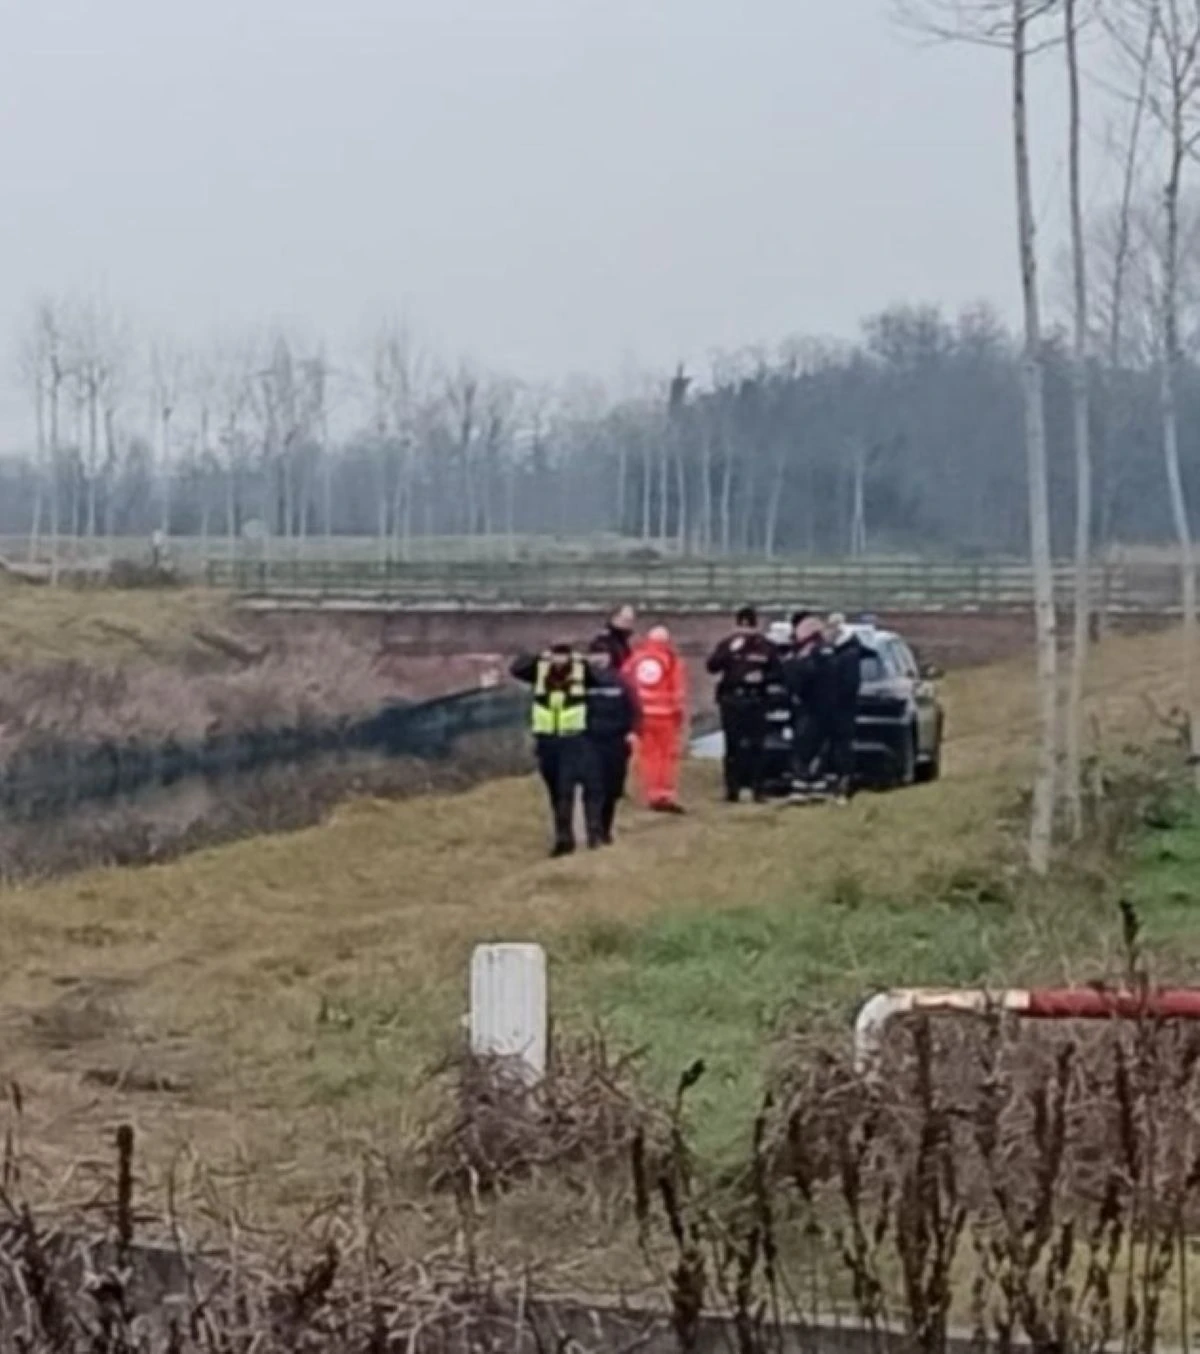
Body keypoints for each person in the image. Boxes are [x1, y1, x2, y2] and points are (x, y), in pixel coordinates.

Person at [510, 643, 605, 856]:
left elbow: (600, 678)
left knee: (565, 789)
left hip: (572, 739)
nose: (559, 660)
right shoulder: (540, 669)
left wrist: (583, 662)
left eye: (563, 656)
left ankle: (565, 839)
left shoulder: (580, 670)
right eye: (556, 656)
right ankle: (562, 833)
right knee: (554, 789)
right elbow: (516, 668)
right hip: (547, 740)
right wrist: (538, 657)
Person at [705, 605, 779, 803]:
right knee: (732, 747)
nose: (745, 631)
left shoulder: (766, 647)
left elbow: (779, 673)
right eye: (741, 626)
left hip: (756, 700)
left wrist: (763, 677)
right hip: (732, 700)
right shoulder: (728, 644)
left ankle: (758, 789)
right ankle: (732, 790)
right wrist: (729, 651)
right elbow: (712, 667)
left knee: (757, 746)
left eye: (749, 627)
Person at [584, 637, 641, 844]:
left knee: (611, 788)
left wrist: (633, 731)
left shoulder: (621, 682)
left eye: (602, 654)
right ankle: (593, 831)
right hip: (589, 741)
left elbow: (634, 709)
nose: (598, 659)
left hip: (616, 741)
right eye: (594, 654)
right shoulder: (581, 682)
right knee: (594, 786)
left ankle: (605, 829)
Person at [628, 624, 688, 813]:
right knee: (666, 756)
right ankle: (665, 793)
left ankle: (651, 792)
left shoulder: (636, 658)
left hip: (642, 716)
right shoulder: (671, 659)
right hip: (665, 716)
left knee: (648, 756)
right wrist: (680, 715)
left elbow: (625, 681)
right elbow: (678, 690)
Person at [782, 611, 835, 803]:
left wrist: (792, 664)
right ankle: (815, 784)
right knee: (816, 748)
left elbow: (797, 681)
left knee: (804, 748)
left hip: (808, 709)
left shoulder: (810, 656)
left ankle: (804, 786)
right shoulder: (827, 653)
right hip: (821, 709)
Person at [824, 613, 864, 804]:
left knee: (843, 747)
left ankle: (844, 785)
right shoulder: (837, 651)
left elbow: (848, 685)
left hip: (842, 709)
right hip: (832, 709)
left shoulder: (848, 654)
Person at [593, 604, 637, 672]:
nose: (628, 624)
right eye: (626, 620)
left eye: (631, 621)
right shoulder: (604, 640)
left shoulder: (629, 638)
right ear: (615, 618)